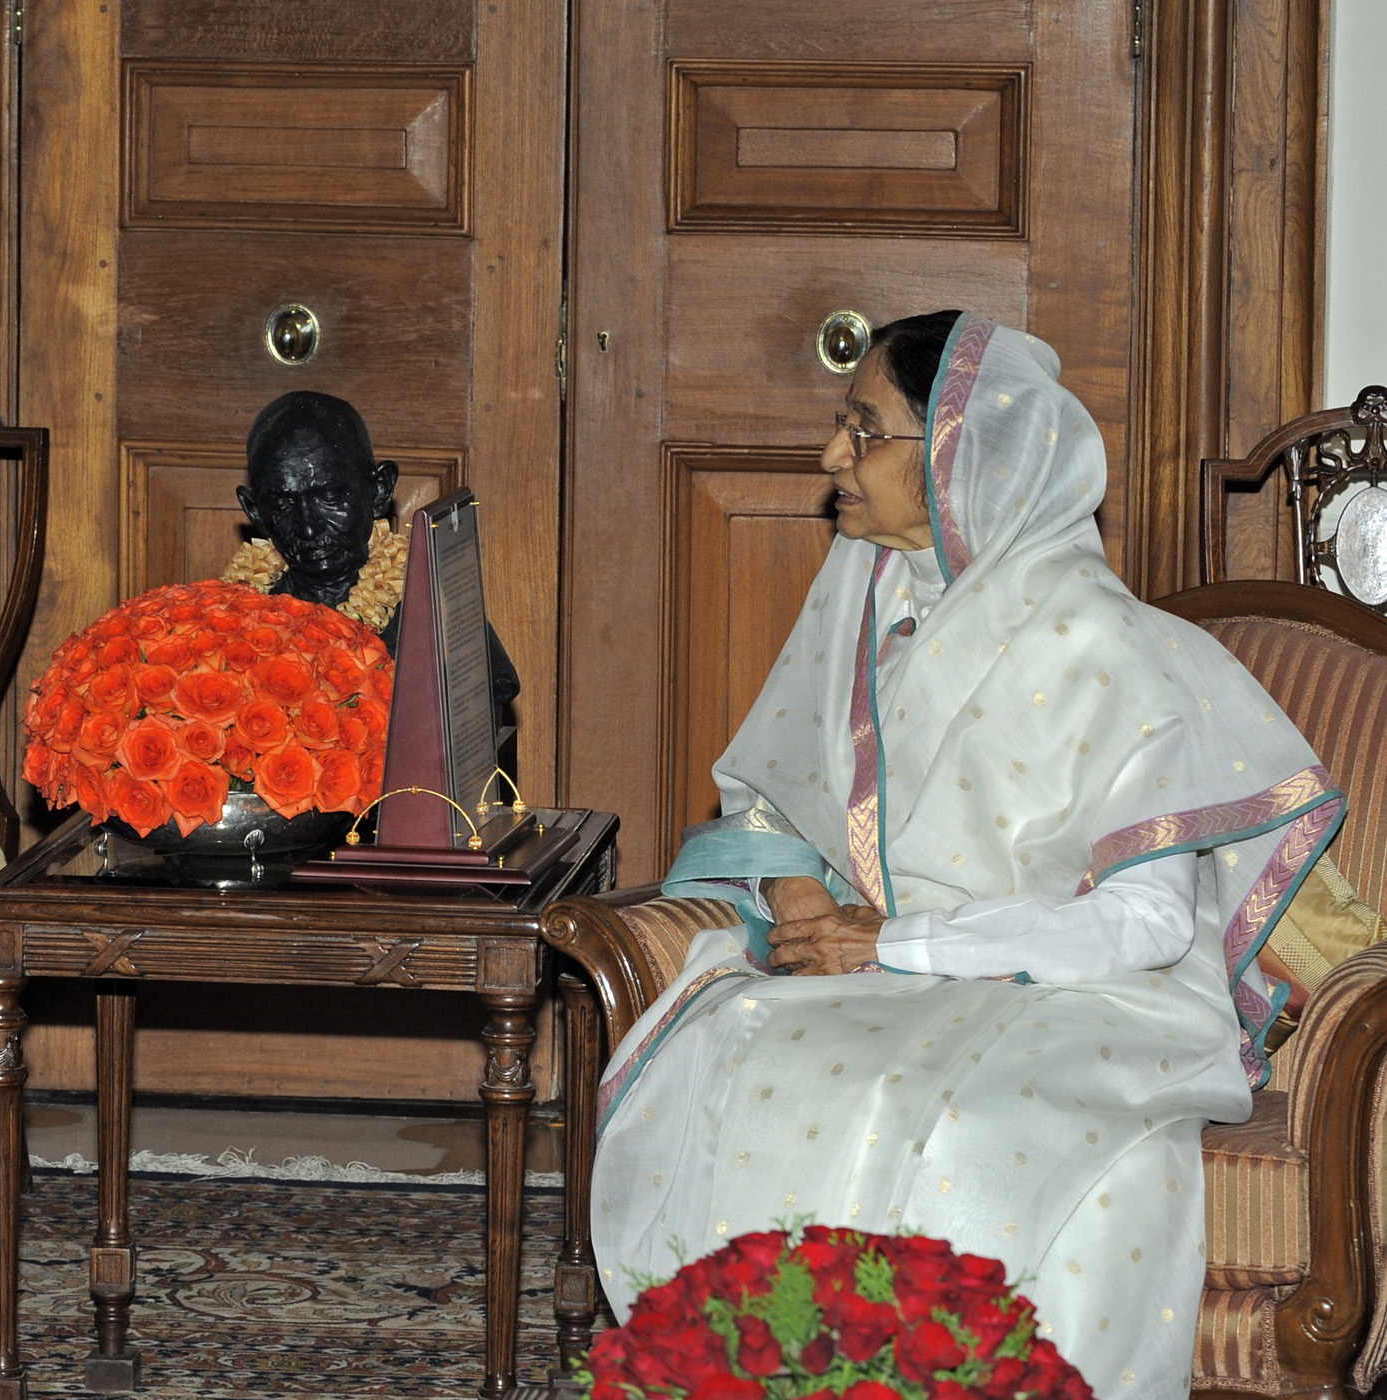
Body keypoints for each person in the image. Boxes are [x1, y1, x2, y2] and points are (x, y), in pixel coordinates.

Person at [589, 313, 1341, 1397]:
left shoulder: (1108, 646)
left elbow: (1145, 924)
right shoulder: (867, 592)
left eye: (863, 429)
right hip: (894, 969)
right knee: (734, 1043)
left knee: (953, 1122)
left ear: (963, 455)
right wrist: (805, 906)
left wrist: (898, 940)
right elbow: (778, 786)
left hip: (1096, 992)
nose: (830, 458)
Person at [228, 389, 520, 712]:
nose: (308, 527)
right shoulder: (235, 615)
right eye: (283, 503)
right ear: (255, 512)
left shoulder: (431, 606)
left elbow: (491, 693)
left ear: (379, 490)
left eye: (330, 496)